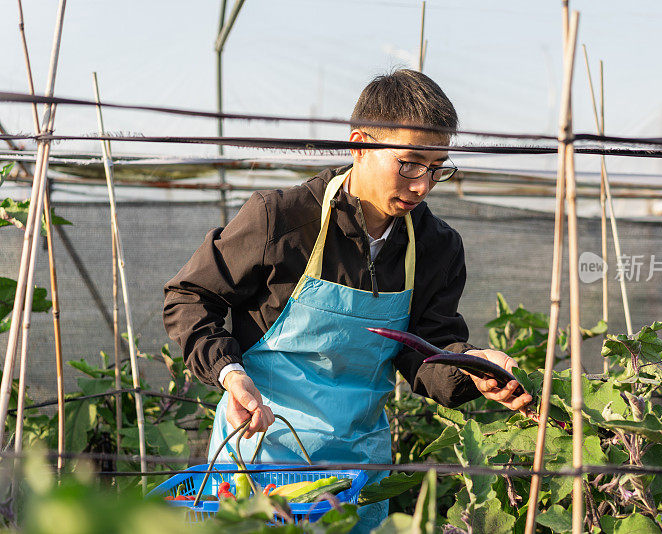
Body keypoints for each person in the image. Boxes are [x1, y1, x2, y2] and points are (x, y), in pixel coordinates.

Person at [163, 69, 532, 531]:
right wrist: (229, 373)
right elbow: (191, 296)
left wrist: (471, 366)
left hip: (358, 470)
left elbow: (427, 349)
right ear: (359, 145)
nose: (423, 185)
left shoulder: (436, 245)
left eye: (438, 168)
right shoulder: (282, 220)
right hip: (260, 456)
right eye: (410, 163)